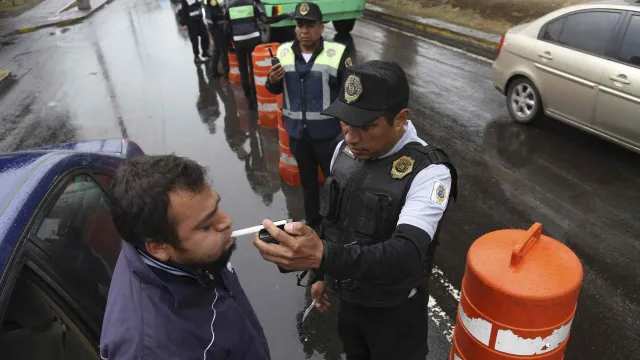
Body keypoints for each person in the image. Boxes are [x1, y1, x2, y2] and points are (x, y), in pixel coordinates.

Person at [254, 60, 459, 360]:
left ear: (400, 118)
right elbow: (334, 222)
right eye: (345, 122)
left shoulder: (429, 172)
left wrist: (322, 255)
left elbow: (406, 253)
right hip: (349, 304)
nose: (351, 137)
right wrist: (323, 274)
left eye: (366, 126)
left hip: (395, 313)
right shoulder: (343, 151)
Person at [100, 155, 270, 360]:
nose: (226, 221)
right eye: (206, 225)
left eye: (216, 206)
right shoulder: (152, 351)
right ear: (158, 247)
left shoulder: (183, 252)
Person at [266, 1, 353, 230]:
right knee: (308, 184)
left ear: (322, 27)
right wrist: (272, 80)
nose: (304, 31)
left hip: (328, 136)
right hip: (298, 136)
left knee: (335, 183)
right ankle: (314, 223)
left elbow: (349, 95)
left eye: (310, 25)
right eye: (300, 25)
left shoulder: (337, 54)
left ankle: (337, 224)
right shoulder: (283, 52)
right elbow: (274, 88)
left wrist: (348, 127)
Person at [223, 0, 267, 107]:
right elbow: (265, 19)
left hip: (239, 42)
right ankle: (255, 97)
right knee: (253, 70)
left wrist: (229, 45)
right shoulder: (252, 4)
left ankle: (248, 98)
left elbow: (225, 29)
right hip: (254, 40)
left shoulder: (229, 7)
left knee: (243, 70)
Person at [203, 0, 230, 78]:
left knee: (223, 48)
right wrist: (225, 15)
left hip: (217, 24)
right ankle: (213, 72)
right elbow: (215, 14)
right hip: (215, 25)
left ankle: (225, 72)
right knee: (218, 48)